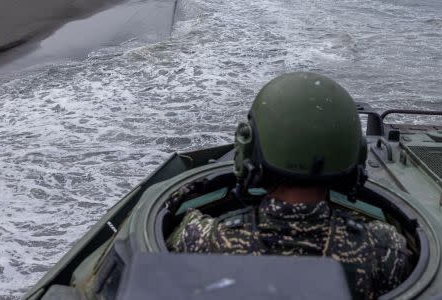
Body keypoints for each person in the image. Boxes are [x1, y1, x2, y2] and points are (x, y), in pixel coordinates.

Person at [167, 72, 414, 300]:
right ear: (356, 156)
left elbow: (169, 222)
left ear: (250, 149)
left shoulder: (205, 238)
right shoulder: (382, 247)